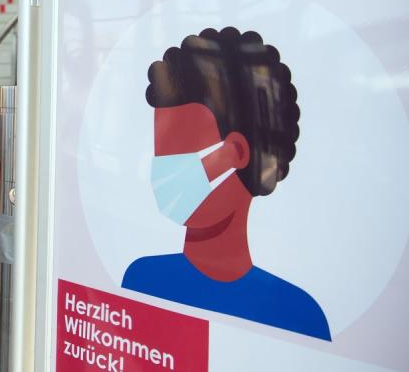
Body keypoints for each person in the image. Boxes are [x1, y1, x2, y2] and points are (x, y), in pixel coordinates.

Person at [121, 27, 330, 341]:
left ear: (238, 153)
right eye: (161, 150)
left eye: (182, 149)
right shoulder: (142, 280)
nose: (165, 170)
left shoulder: (297, 316)